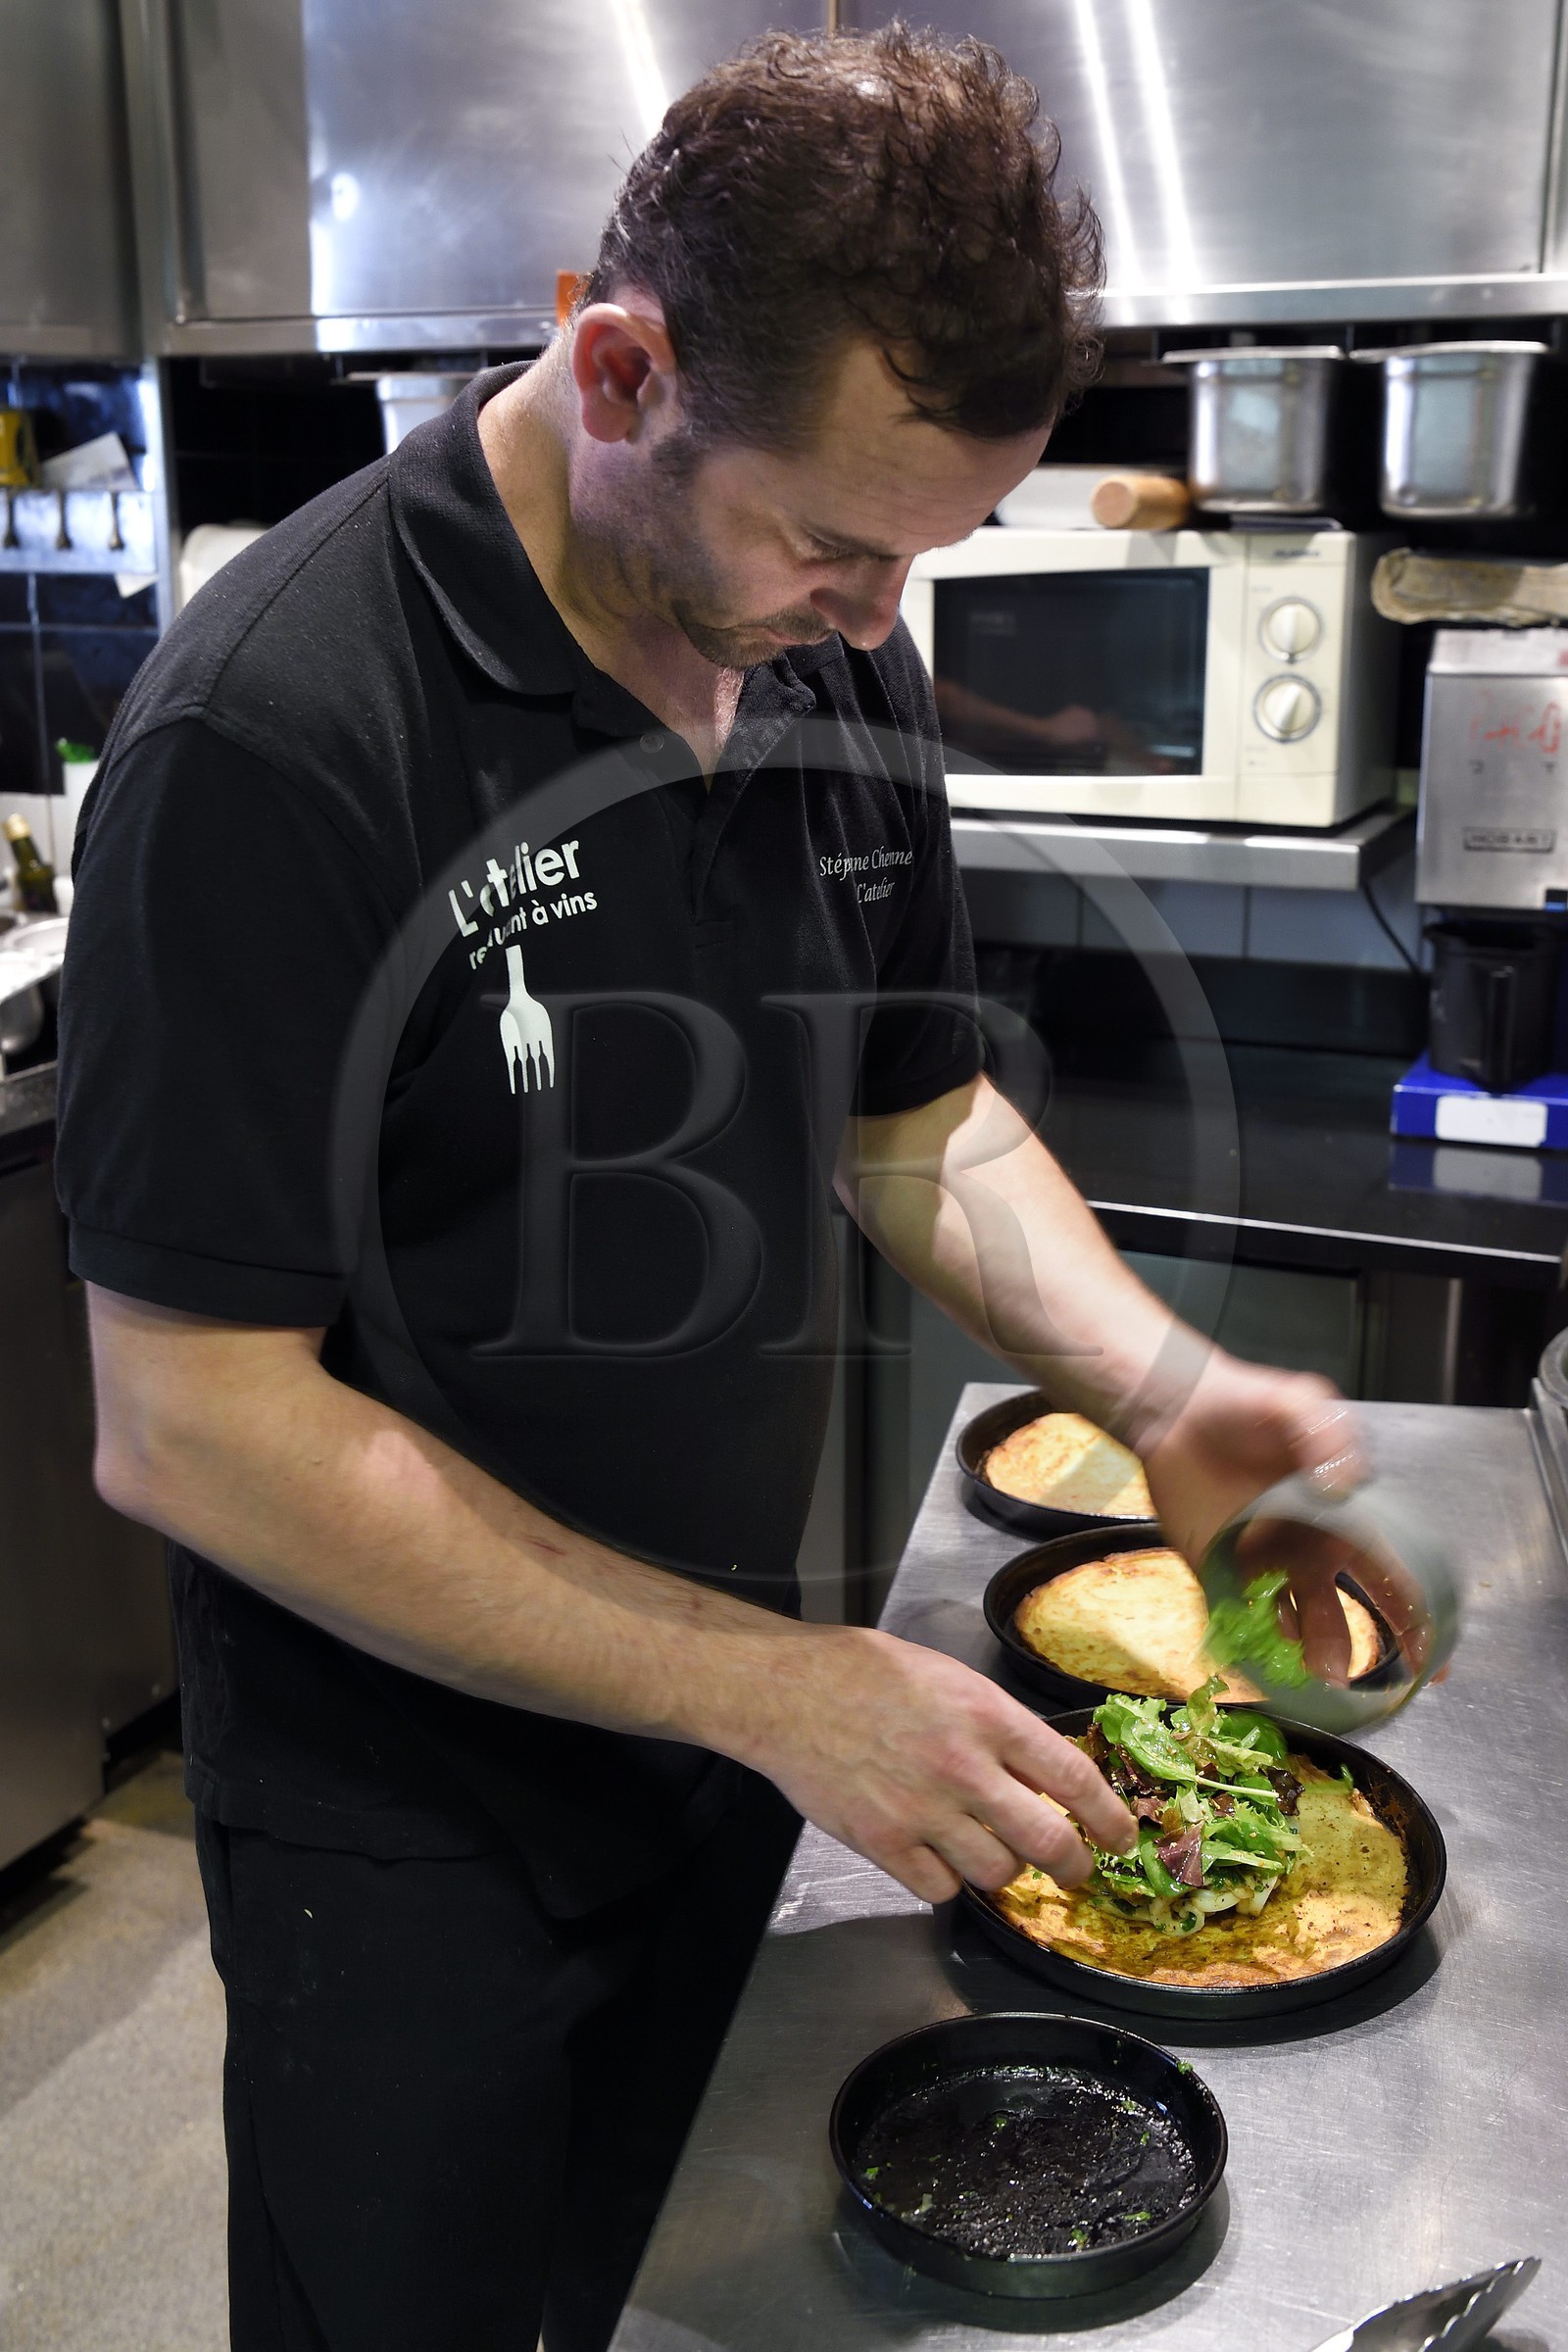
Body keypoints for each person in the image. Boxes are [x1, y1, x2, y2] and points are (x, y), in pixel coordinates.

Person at [56, 25, 1359, 2352]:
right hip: (413, 1812)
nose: (879, 621)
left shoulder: (815, 647)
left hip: (745, 1736)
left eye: (923, 554)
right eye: (836, 540)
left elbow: (916, 1116)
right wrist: (771, 1689)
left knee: (669, 2294)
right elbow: (193, 1424)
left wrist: (1159, 1388)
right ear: (622, 358)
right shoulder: (276, 729)